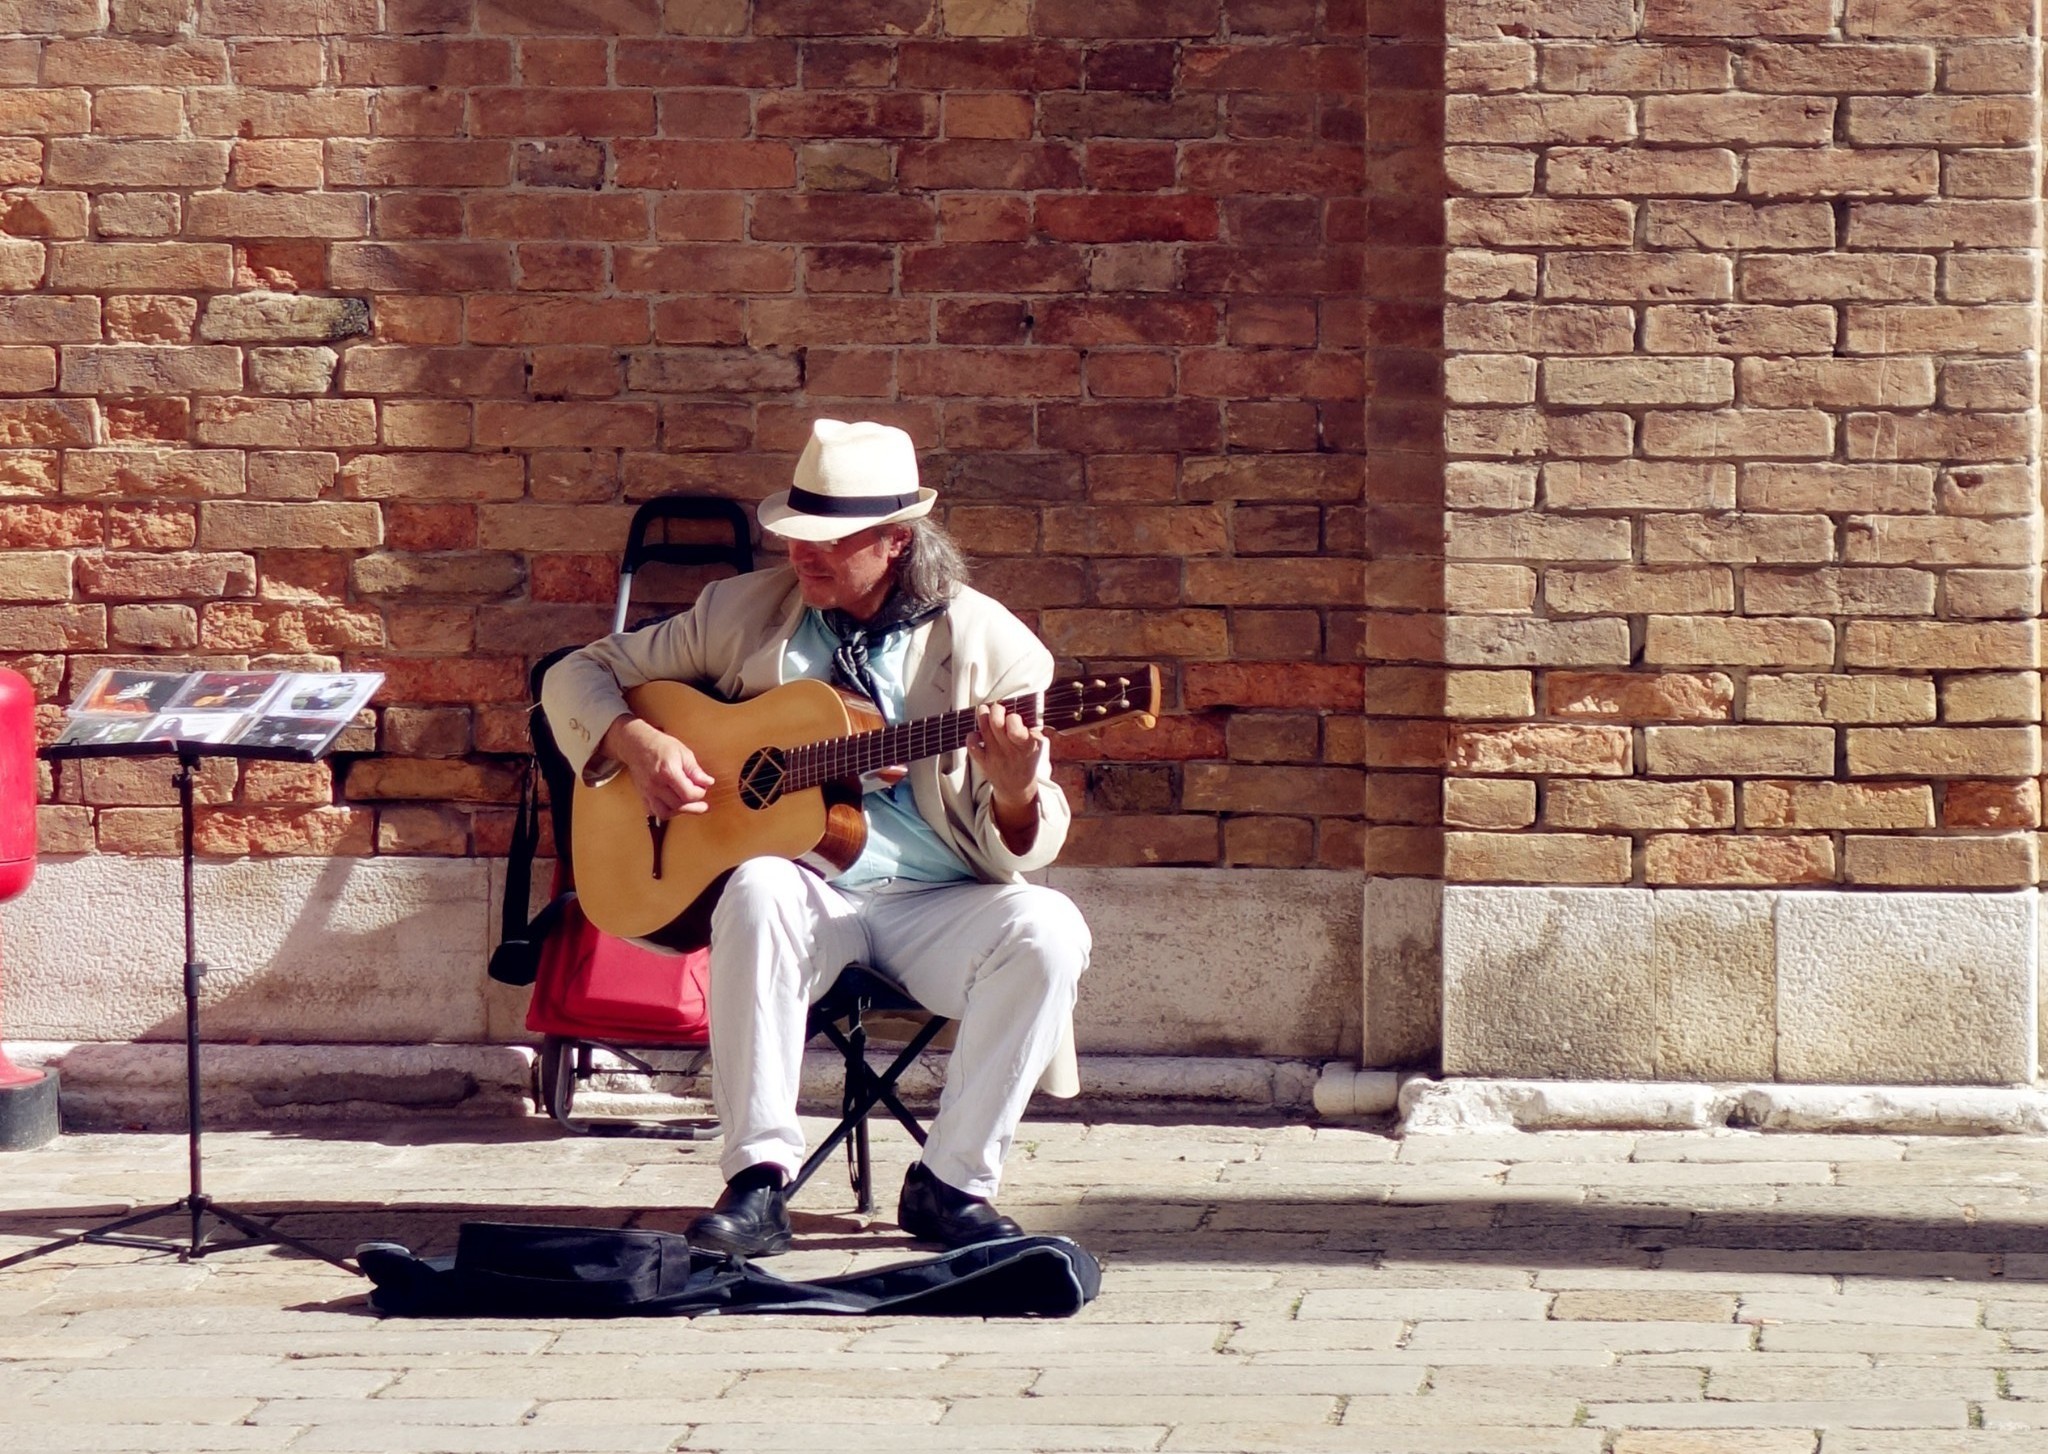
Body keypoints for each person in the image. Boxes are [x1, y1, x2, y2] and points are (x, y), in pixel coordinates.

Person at [542, 418, 1089, 1256]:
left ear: (898, 542)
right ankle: (758, 1180)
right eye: (796, 537)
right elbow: (574, 673)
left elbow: (1026, 836)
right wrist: (634, 740)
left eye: (831, 542)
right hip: (807, 895)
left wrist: (1015, 788)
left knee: (1051, 928)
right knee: (759, 883)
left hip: (936, 902)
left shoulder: (994, 648)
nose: (804, 557)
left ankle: (950, 1185)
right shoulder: (741, 612)